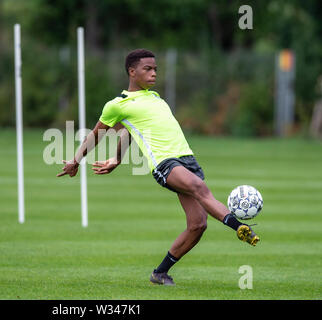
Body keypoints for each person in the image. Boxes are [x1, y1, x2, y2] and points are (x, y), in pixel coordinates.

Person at [57, 49, 259, 286]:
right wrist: (75, 160)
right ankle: (239, 227)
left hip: (188, 160)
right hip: (165, 164)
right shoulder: (118, 104)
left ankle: (160, 273)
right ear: (132, 72)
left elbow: (130, 132)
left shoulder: (155, 98)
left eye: (155, 69)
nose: (154, 73)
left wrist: (117, 158)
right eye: (148, 69)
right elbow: (95, 135)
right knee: (199, 188)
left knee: (198, 225)